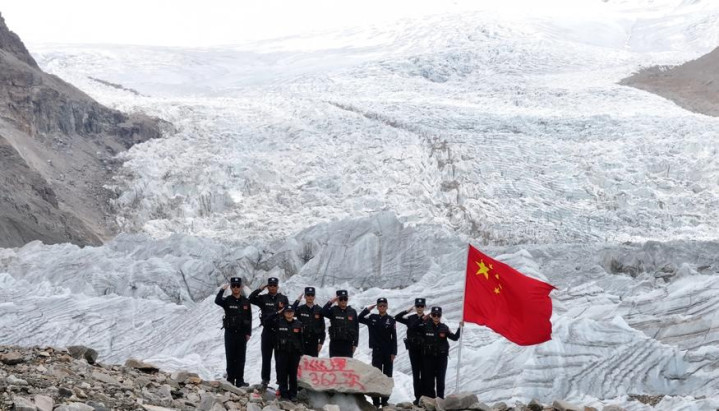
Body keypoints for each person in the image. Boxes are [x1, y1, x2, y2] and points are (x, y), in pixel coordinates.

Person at [413, 306, 463, 399]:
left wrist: (460, 327)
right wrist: (422, 319)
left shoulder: (444, 327)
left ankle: (440, 400)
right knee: (429, 381)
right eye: (434, 314)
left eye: (438, 315)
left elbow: (455, 337)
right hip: (428, 358)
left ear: (441, 316)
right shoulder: (424, 325)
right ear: (431, 315)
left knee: (440, 380)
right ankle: (431, 401)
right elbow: (413, 328)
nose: (436, 317)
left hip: (441, 359)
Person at [249, 277, 290, 388]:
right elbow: (251, 298)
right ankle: (265, 380)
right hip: (267, 331)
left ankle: (280, 380)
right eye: (270, 285)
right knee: (266, 358)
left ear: (277, 286)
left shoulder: (283, 299)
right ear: (268, 287)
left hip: (279, 333)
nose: (272, 287)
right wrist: (260, 289)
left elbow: (289, 314)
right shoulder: (263, 298)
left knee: (280, 358)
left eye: (274, 285)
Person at [359, 297, 397, 408]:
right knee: (376, 375)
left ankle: (385, 401)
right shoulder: (372, 317)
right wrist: (367, 310)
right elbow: (359, 318)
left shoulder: (391, 320)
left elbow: (394, 338)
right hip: (377, 351)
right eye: (380, 305)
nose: (382, 307)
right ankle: (375, 401)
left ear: (387, 306)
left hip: (388, 352)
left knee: (387, 376)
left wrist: (394, 352)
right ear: (377, 307)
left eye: (384, 305)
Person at [214, 277, 252, 387]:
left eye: (237, 286)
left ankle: (240, 380)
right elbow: (217, 301)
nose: (236, 288)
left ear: (241, 287)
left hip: (241, 334)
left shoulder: (246, 301)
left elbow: (249, 317)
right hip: (230, 333)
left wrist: (248, 333)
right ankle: (230, 380)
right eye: (233, 286)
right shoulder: (227, 300)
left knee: (241, 358)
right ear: (231, 287)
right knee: (230, 357)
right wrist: (222, 290)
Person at [267, 305, 303, 401]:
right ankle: (284, 394)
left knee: (293, 374)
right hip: (282, 352)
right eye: (287, 311)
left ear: (293, 313)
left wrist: (301, 352)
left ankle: (293, 394)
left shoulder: (299, 324)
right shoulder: (278, 322)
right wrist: (277, 313)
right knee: (282, 373)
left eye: (291, 311)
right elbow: (267, 321)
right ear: (284, 312)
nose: (289, 313)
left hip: (294, 353)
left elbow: (301, 339)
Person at [395, 297, 426, 405]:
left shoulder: (428, 319)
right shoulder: (411, 318)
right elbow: (397, 317)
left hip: (424, 350)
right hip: (413, 350)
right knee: (416, 374)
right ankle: (417, 397)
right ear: (415, 307)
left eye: (421, 306)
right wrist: (407, 311)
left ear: (424, 307)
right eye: (418, 306)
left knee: (424, 374)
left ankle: (424, 397)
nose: (420, 308)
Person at [321, 290, 359, 357]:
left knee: (347, 363)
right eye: (341, 299)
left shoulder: (352, 312)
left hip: (348, 344)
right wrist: (331, 301)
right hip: (335, 344)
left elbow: (356, 328)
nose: (343, 301)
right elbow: (323, 312)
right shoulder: (333, 310)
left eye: (345, 299)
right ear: (337, 300)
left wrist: (355, 344)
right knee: (334, 363)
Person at [291, 287, 325, 357]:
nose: (310, 297)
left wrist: (321, 342)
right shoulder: (300, 309)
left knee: (312, 363)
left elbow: (322, 327)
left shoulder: (319, 310)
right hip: (301, 340)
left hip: (314, 341)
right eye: (308, 295)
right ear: (305, 296)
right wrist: (297, 301)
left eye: (312, 295)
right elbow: (290, 311)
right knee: (300, 362)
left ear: (314, 297)